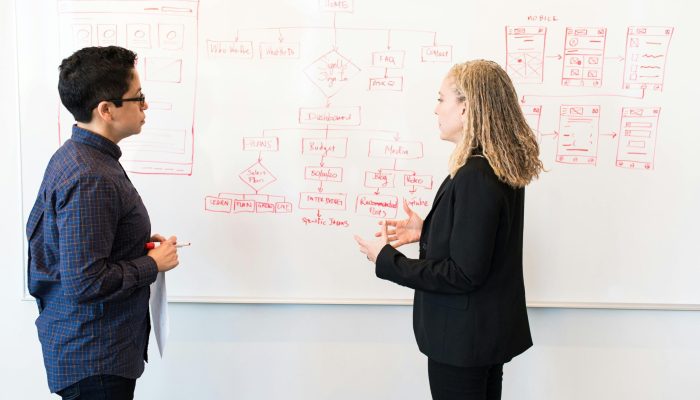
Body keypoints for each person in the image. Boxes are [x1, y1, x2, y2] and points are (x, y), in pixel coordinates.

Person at [354, 59, 543, 400]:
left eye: (441, 99)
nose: (435, 109)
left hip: (463, 343)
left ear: (466, 107)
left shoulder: (476, 175)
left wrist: (386, 259)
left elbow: (462, 274)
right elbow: (483, 243)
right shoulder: (498, 166)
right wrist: (426, 230)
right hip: (482, 336)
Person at [26, 46, 180, 399]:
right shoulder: (90, 176)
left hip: (94, 352)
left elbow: (85, 254)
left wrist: (135, 246)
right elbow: (86, 281)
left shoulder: (84, 158)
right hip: (95, 358)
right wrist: (151, 265)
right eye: (138, 97)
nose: (145, 106)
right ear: (106, 110)